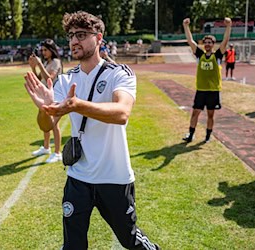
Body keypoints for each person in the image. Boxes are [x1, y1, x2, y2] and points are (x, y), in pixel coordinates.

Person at [24, 11, 159, 250]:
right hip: (78, 177)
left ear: (99, 38)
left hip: (114, 177)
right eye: (71, 35)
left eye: (82, 35)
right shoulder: (65, 81)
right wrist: (45, 109)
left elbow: (121, 113)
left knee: (131, 241)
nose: (74, 40)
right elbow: (46, 126)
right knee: (73, 246)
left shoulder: (119, 73)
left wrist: (77, 105)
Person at [181, 17, 232, 143]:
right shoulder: (200, 55)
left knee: (210, 115)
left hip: (213, 91)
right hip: (201, 90)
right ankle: (191, 134)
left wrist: (228, 26)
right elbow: (190, 41)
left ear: (213, 44)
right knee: (195, 113)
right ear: (204, 44)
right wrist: (186, 26)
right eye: (206, 42)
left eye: (210, 42)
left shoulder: (217, 56)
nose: (208, 44)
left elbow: (225, 41)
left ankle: (208, 136)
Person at [28, 39, 63, 163]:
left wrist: (39, 64)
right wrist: (34, 68)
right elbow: (40, 79)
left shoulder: (56, 62)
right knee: (45, 122)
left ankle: (57, 152)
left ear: (51, 50)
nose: (43, 52)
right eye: (42, 50)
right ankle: (46, 147)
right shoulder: (47, 62)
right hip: (45, 96)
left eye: (45, 50)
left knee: (54, 125)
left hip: (55, 96)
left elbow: (49, 78)